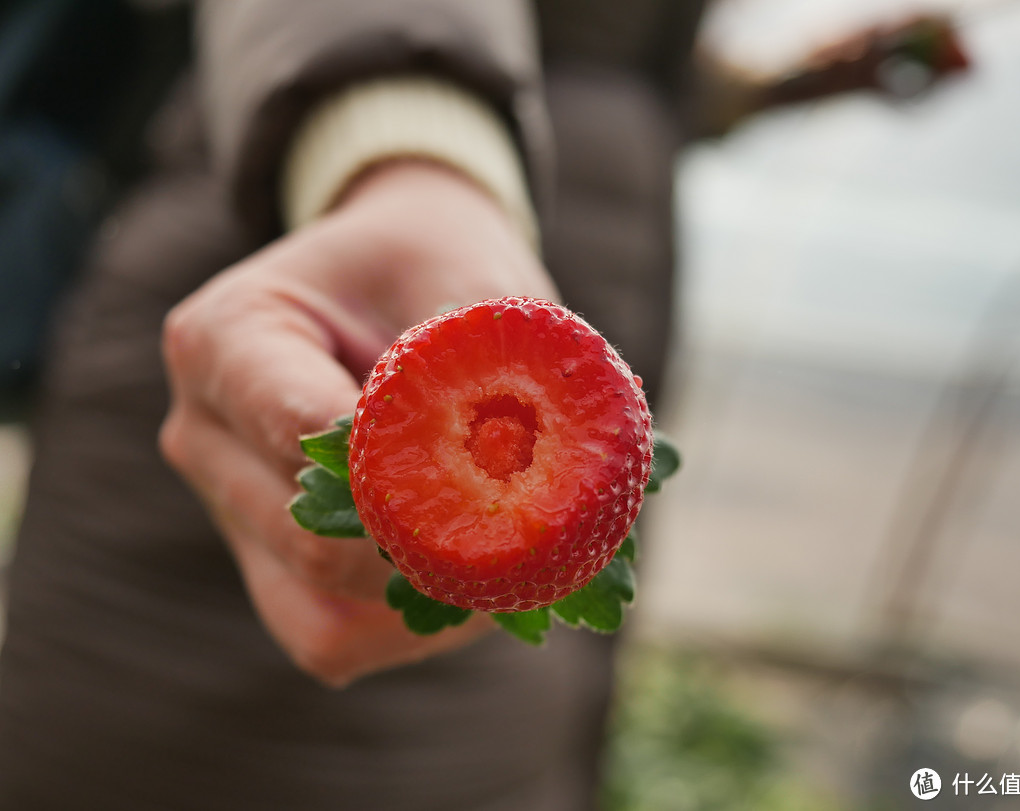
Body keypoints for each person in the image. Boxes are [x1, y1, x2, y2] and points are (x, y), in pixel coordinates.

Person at [0, 1, 967, 807]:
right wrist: (405, 138)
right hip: (317, 297)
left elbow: (594, 71)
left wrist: (788, 87)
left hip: (524, 357)